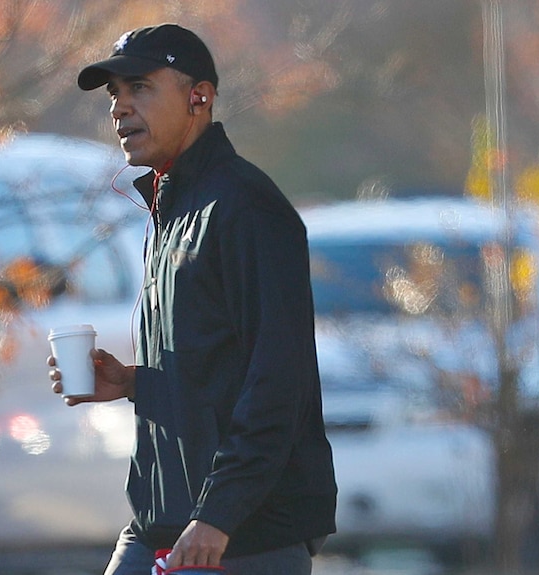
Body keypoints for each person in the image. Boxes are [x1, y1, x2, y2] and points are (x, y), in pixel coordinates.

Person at [48, 23, 337, 575]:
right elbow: (217, 370)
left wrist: (219, 516)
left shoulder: (246, 207)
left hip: (241, 537)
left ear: (198, 97)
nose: (120, 108)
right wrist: (136, 381)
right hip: (163, 524)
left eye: (140, 88)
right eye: (115, 94)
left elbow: (278, 381)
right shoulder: (173, 204)